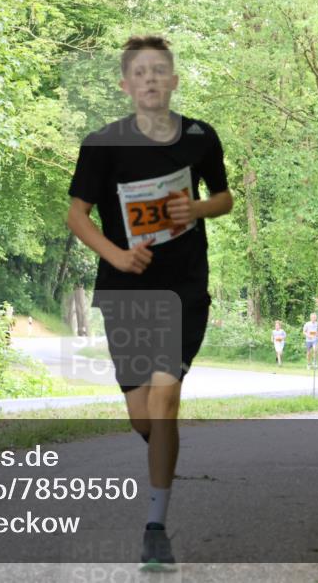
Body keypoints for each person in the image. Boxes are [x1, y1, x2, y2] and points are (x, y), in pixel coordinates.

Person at [66, 35, 233, 569]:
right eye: (139, 73)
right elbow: (77, 216)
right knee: (144, 416)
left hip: (183, 288)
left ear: (174, 79)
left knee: (164, 402)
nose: (151, 80)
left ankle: (155, 526)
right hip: (126, 290)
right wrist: (116, 256)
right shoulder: (102, 144)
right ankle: (162, 453)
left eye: (160, 71)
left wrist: (197, 210)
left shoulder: (201, 137)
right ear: (125, 85)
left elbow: (225, 197)